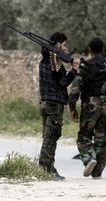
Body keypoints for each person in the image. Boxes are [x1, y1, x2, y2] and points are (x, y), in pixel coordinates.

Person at [69, 37, 106, 178]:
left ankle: (89, 159)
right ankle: (97, 172)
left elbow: (75, 89)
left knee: (84, 136)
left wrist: (72, 107)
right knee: (102, 139)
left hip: (90, 105)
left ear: (90, 50)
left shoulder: (85, 66)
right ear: (103, 50)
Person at [38, 32, 80, 181]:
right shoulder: (54, 60)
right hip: (54, 104)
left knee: (47, 136)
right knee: (51, 136)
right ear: (58, 45)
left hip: (44, 102)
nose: (66, 47)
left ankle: (48, 166)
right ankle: (46, 168)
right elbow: (63, 82)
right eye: (64, 44)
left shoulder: (44, 59)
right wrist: (74, 69)